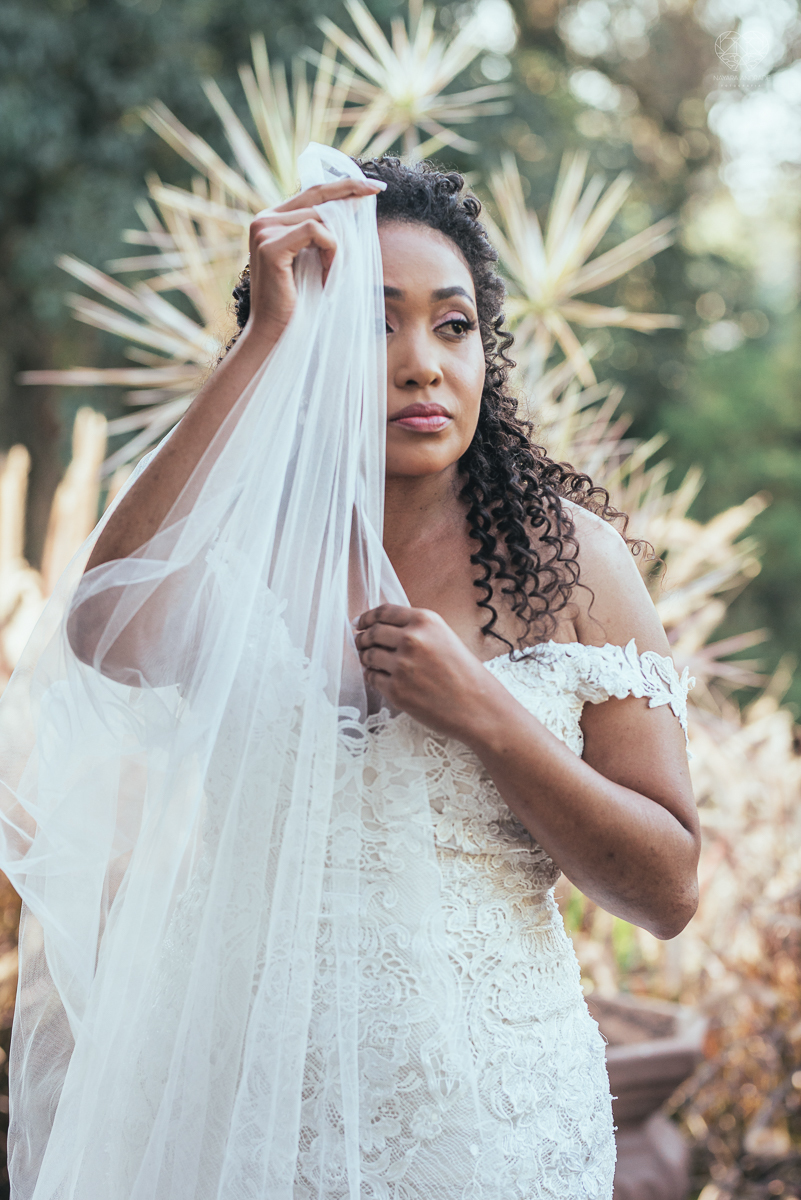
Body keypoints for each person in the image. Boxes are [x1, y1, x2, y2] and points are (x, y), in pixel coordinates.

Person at [3, 148, 699, 1199]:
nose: (422, 362)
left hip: (487, 1128)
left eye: (452, 324)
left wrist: (488, 719)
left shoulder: (569, 564)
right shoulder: (246, 548)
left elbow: (669, 886)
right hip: (234, 1116)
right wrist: (265, 337)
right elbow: (102, 629)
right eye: (374, 324)